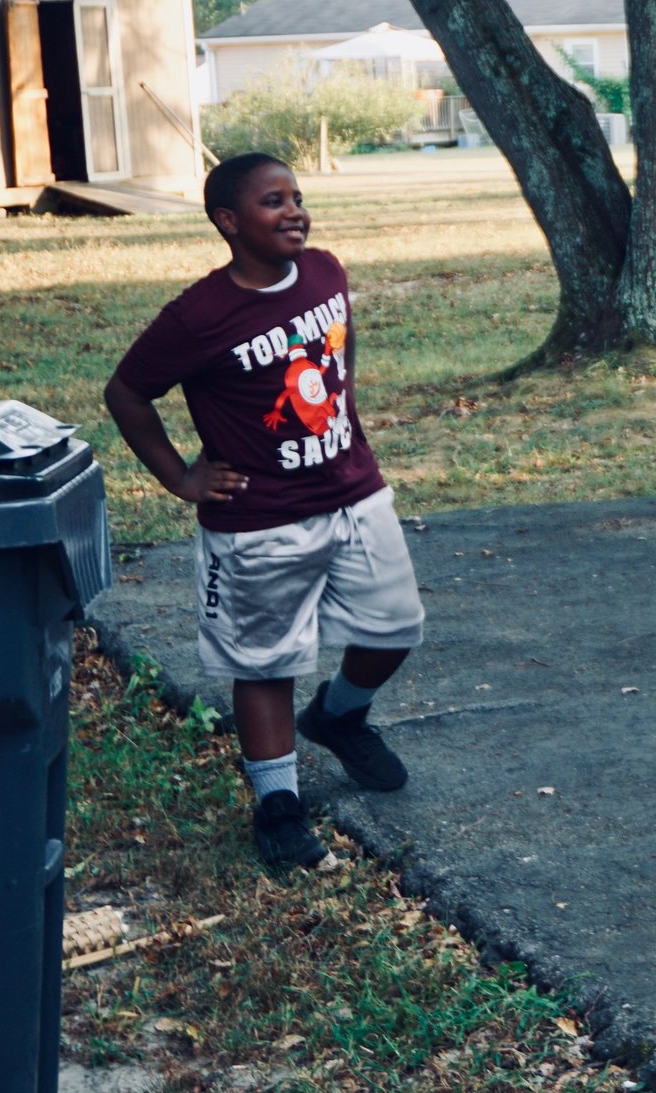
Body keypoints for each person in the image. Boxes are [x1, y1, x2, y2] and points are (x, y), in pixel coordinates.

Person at [105, 152, 424, 873]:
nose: (295, 211)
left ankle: (339, 715)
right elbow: (126, 394)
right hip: (259, 520)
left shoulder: (326, 272)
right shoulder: (198, 315)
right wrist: (180, 477)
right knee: (265, 660)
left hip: (353, 493)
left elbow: (339, 354)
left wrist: (343, 427)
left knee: (397, 626)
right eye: (272, 201)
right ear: (229, 221)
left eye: (298, 197)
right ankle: (277, 805)